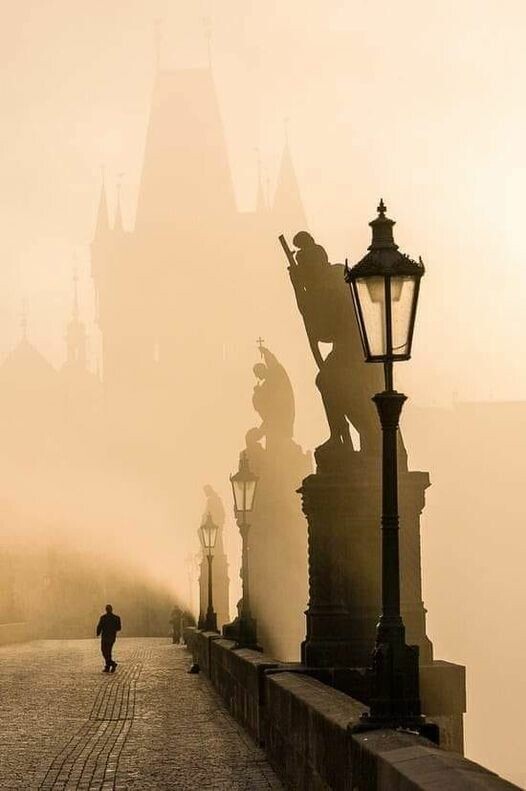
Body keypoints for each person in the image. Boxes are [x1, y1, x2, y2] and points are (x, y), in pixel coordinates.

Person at [96, 604, 121, 673]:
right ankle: (109, 665)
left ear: (106, 610)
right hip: (112, 637)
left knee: (104, 651)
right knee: (108, 651)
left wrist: (98, 633)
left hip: (105, 637)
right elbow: (119, 628)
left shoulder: (103, 618)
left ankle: (111, 664)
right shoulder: (116, 618)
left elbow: (99, 626)